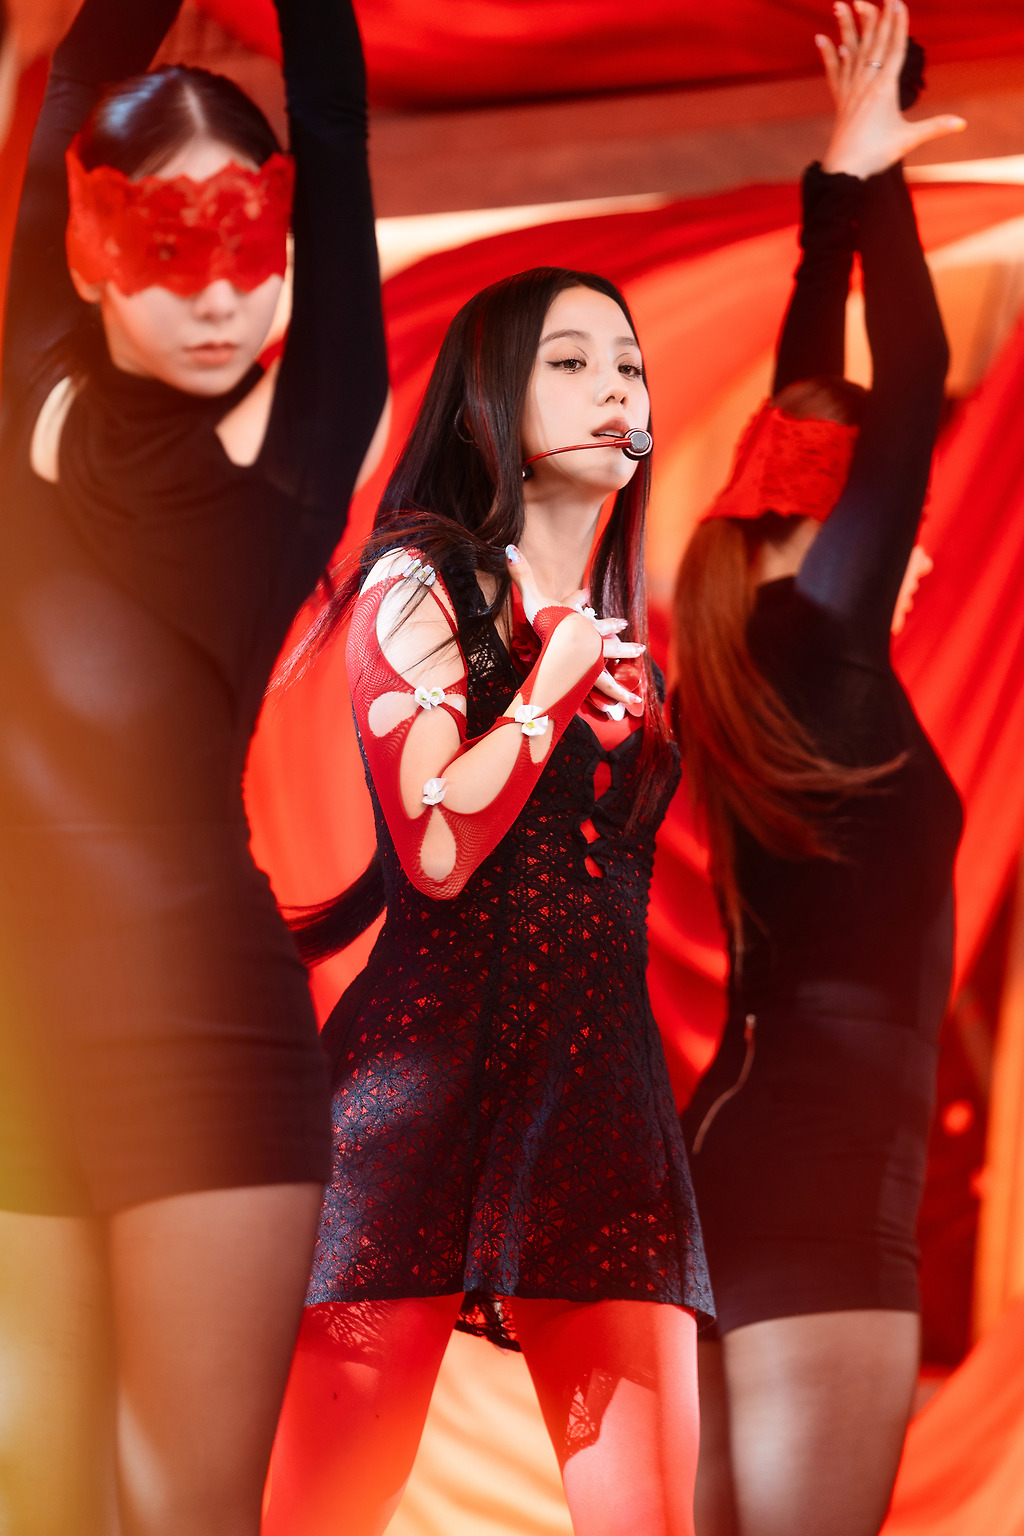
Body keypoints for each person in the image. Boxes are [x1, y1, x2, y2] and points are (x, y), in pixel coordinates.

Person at [0, 0, 386, 1531]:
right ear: (95, 244)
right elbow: (83, 72)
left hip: (205, 1041)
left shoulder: (298, 447)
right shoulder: (33, 376)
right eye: (174, 250)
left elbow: (335, 131)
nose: (224, 297)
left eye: (253, 248)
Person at [263, 265, 712, 1536]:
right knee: (319, 1515)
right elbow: (438, 852)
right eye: (570, 362)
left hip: (599, 1100)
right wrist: (549, 689)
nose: (615, 389)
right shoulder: (420, 581)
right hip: (420, 1095)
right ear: (485, 403)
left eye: (628, 365)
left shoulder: (621, 638)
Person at [669, 5, 966, 1535]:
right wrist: (864, 176)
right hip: (827, 1174)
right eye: (894, 515)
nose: (920, 550)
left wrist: (839, 189)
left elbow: (818, 405)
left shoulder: (753, 645)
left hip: (743, 1156)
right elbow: (905, 375)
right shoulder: (822, 639)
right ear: (845, 514)